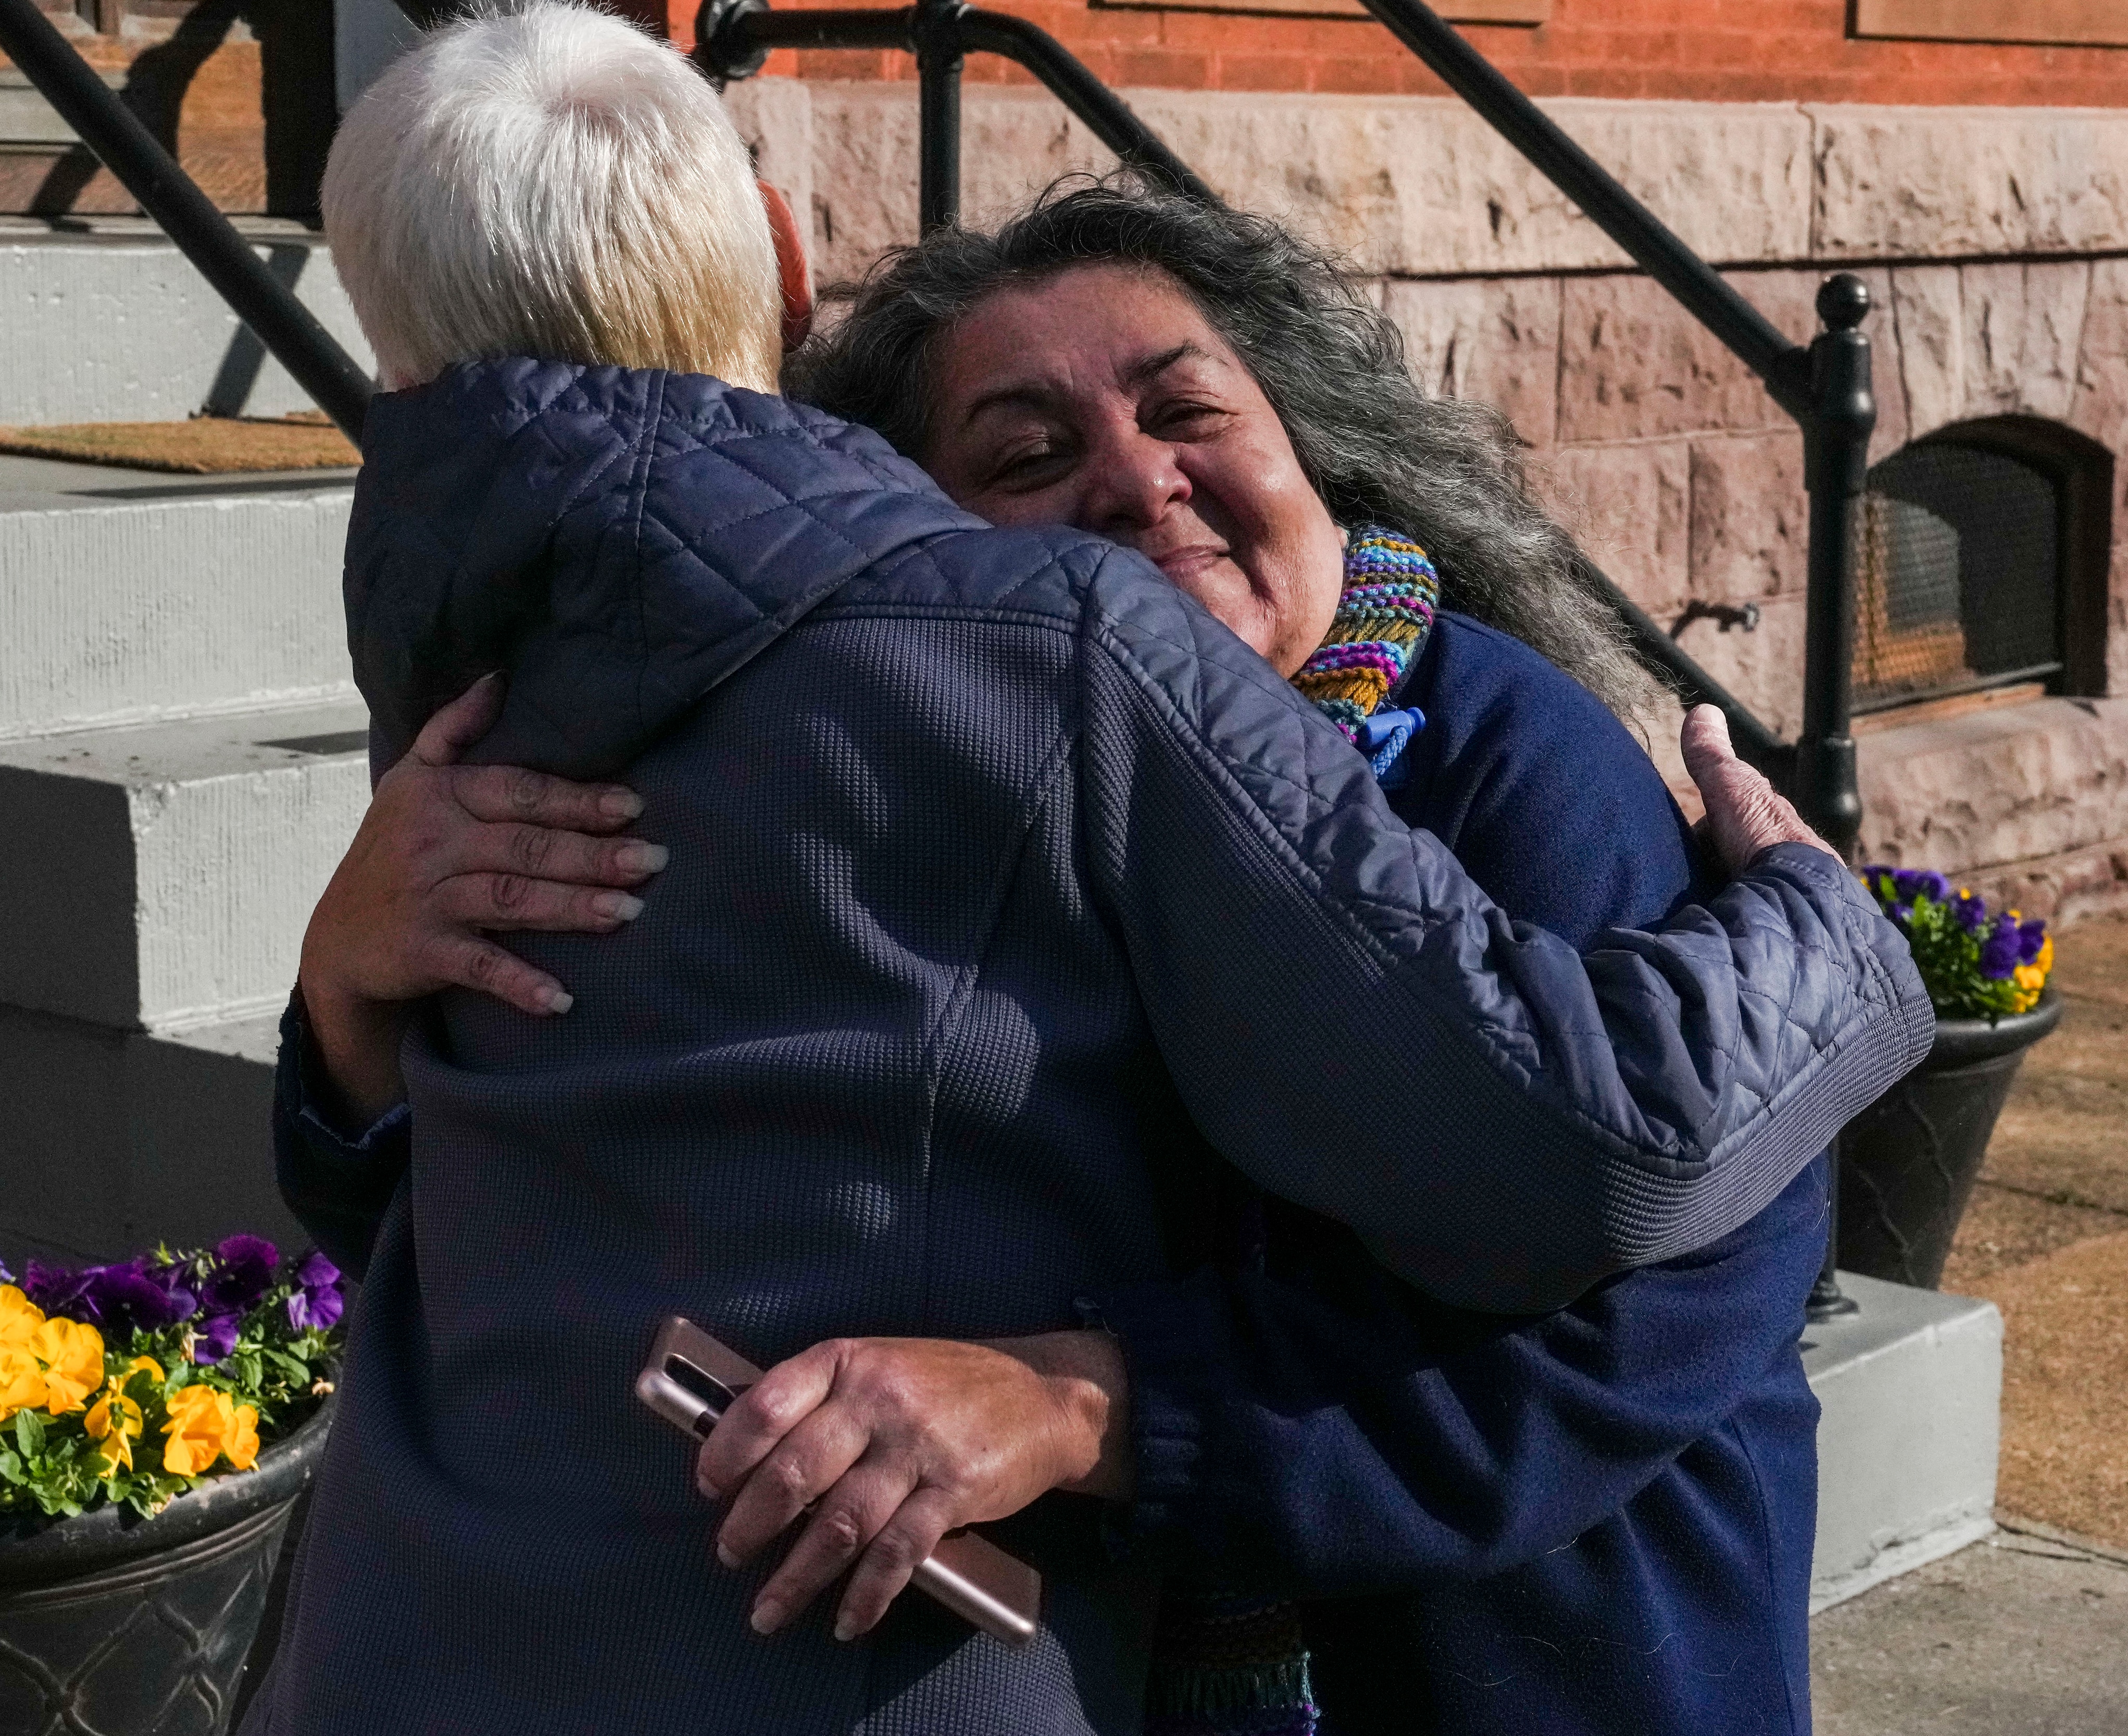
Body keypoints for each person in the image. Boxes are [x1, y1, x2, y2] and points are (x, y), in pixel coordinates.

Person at [255, 10, 1929, 1735]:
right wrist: (349, 1006)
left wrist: (1088, 1405)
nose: (1136, 486)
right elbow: (522, 1215)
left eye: (1188, 408)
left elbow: (1632, 1296)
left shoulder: (1520, 765)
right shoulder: (831, 707)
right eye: (1027, 458)